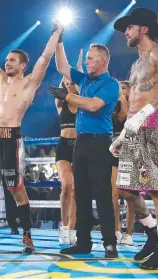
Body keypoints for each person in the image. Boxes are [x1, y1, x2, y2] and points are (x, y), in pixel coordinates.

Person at [0, 16, 62, 254]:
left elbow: (44, 59)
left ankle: (27, 237)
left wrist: (55, 34)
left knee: (16, 189)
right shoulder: (0, 80)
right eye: (7, 59)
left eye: (12, 60)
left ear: (22, 66)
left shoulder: (30, 83)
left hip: (11, 138)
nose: (7, 63)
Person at [111, 7, 158, 269]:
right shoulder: (136, 63)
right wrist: (124, 132)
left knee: (157, 191)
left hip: (155, 126)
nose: (125, 32)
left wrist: (146, 114)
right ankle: (151, 234)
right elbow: (135, 101)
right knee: (126, 189)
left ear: (144, 28)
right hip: (135, 128)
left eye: (129, 27)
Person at [50, 25, 120, 258]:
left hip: (100, 144)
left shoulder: (111, 84)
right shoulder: (85, 79)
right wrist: (59, 40)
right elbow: (61, 66)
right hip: (81, 144)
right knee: (80, 194)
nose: (87, 62)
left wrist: (68, 96)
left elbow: (93, 105)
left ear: (102, 60)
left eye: (90, 58)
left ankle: (110, 244)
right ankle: (83, 243)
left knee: (102, 194)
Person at [55, 70, 79, 244]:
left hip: (80, 147)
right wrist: (66, 69)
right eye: (67, 84)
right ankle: (63, 226)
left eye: (72, 83)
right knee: (67, 185)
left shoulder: (83, 102)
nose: (69, 86)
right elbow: (59, 89)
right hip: (64, 146)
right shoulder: (60, 102)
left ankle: (72, 229)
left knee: (76, 191)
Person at [111, 81, 136, 245]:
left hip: (130, 149)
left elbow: (129, 118)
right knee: (113, 193)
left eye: (124, 87)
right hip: (113, 149)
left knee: (130, 194)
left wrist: (122, 96)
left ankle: (129, 232)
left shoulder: (134, 106)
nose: (120, 90)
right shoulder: (113, 108)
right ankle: (116, 230)